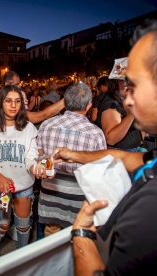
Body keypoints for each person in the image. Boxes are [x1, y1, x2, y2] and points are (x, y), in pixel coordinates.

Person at [56, 3, 157, 275]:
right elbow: (124, 156)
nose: (128, 99)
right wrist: (72, 155)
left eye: (134, 85)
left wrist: (82, 234)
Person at [0, 85, 48, 260]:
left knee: (23, 226)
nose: (13, 105)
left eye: (17, 101)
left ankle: (22, 256)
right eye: (8, 101)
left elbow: (30, 158)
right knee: (3, 223)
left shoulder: (29, 128)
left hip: (23, 186)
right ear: (0, 103)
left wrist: (37, 169)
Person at [37, 83, 106, 238]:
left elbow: (40, 158)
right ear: (88, 106)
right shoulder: (95, 133)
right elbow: (98, 171)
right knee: (77, 239)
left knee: (50, 239)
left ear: (65, 102)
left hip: (51, 191)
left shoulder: (46, 125)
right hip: (78, 197)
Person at [0, 71, 65, 123]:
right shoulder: (1, 99)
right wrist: (66, 100)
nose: (20, 86)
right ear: (7, 84)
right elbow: (44, 115)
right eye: (17, 84)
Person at [96, 78, 142, 151]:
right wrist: (130, 116)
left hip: (131, 151)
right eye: (125, 82)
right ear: (115, 83)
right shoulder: (112, 103)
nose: (130, 86)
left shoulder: (124, 99)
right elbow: (110, 139)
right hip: (120, 154)